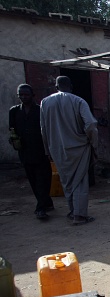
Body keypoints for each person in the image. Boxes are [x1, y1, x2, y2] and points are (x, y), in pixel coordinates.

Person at [40, 76, 98, 226]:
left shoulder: (45, 103)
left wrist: (48, 150)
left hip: (57, 148)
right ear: (70, 85)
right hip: (78, 146)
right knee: (80, 180)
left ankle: (73, 211)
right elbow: (91, 124)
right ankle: (79, 215)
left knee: (67, 180)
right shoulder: (78, 101)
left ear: (56, 86)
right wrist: (92, 141)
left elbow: (43, 129)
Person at [8, 84, 53, 220]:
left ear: (32, 95)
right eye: (20, 95)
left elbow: (47, 130)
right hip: (25, 151)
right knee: (33, 179)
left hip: (40, 150)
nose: (23, 97)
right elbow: (12, 129)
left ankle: (41, 207)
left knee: (43, 179)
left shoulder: (40, 110)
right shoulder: (15, 111)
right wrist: (13, 140)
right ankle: (45, 204)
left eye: (26, 94)